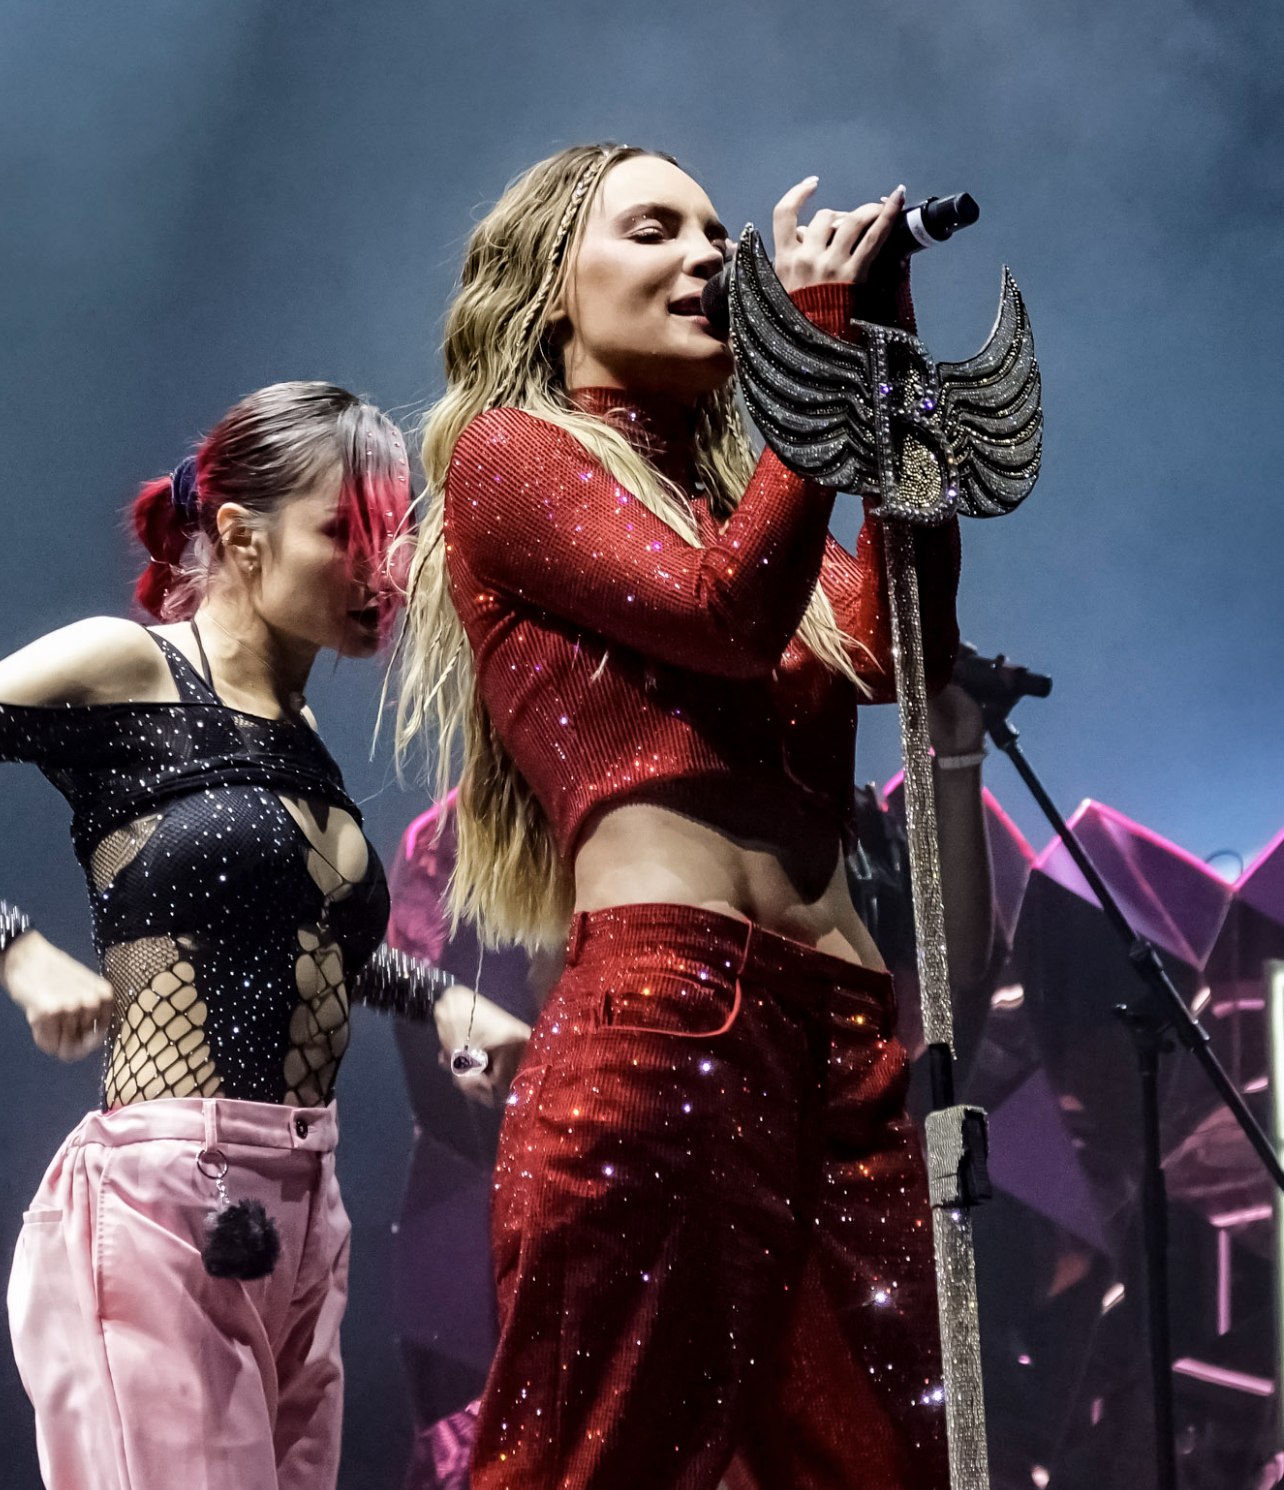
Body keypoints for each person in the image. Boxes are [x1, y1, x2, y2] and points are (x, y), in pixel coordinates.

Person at [0, 382, 496, 1490]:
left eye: (393, 537)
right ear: (242, 537)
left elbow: (294, 941)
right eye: (343, 534)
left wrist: (438, 995)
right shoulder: (125, 662)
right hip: (171, 1201)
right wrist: (12, 946)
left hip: (306, 1209)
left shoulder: (299, 733)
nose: (384, 571)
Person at [394, 146, 962, 1489]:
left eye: (718, 234)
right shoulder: (505, 458)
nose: (709, 256)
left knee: (884, 1468)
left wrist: (885, 357)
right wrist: (816, 354)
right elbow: (720, 613)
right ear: (549, 292)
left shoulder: (736, 501)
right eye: (655, 230)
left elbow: (897, 642)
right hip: (669, 1019)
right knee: (596, 1464)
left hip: (846, 1043)